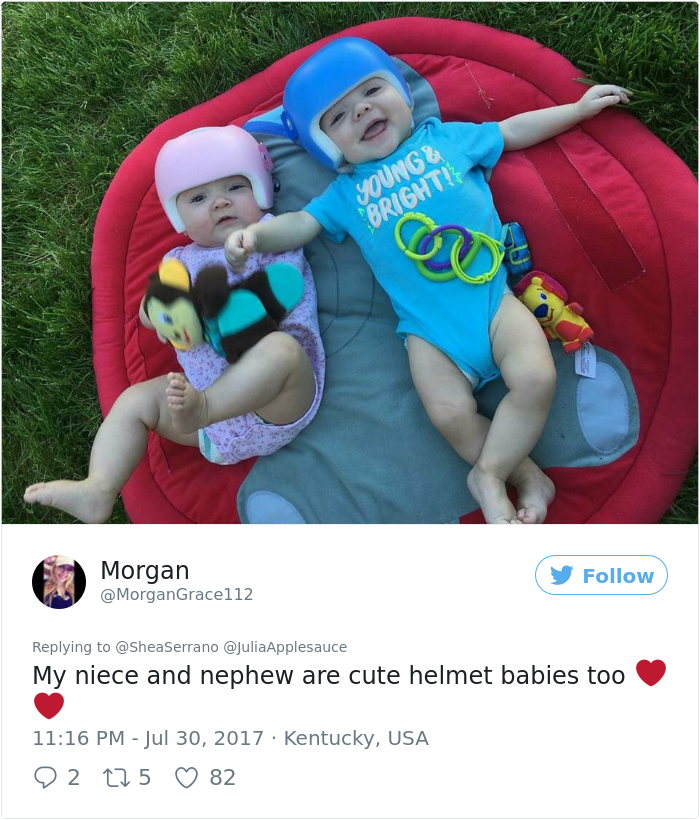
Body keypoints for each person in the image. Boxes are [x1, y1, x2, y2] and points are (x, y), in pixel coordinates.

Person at [225, 38, 631, 524]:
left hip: (492, 304)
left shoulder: (445, 141)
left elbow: (511, 130)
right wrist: (256, 235)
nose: (362, 111)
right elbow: (300, 224)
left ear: (402, 94)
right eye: (338, 117)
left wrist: (577, 110)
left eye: (371, 91)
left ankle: (489, 473)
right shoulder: (344, 194)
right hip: (428, 334)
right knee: (449, 415)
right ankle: (526, 476)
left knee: (537, 378)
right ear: (326, 146)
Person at [24, 126, 325, 523]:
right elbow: (149, 313)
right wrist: (164, 314)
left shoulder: (270, 235)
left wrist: (247, 257)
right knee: (134, 402)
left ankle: (209, 398)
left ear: (261, 188)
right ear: (177, 216)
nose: (219, 203)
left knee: (281, 350)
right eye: (198, 198)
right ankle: (98, 488)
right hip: (207, 424)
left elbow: (285, 289)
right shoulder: (178, 261)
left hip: (279, 402)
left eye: (235, 187)